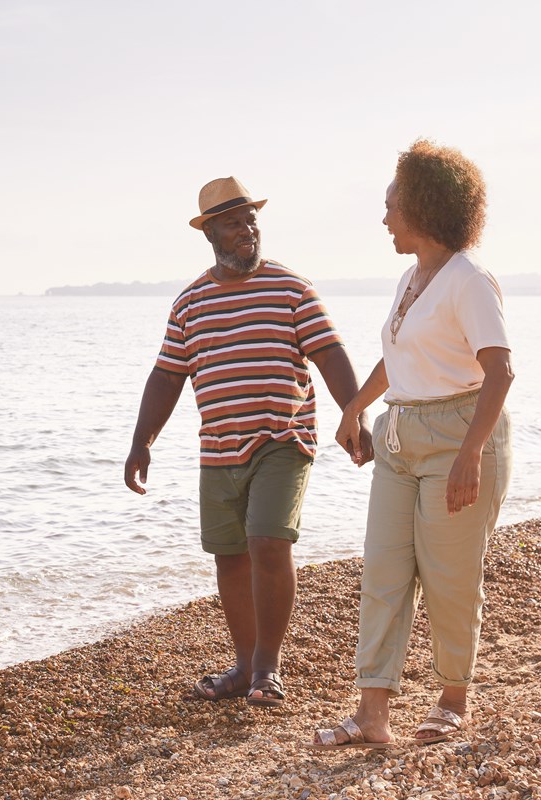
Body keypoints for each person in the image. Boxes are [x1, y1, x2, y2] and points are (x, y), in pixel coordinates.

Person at [124, 176, 370, 707]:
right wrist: (142, 442)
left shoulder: (291, 288)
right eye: (234, 222)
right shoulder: (190, 303)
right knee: (230, 556)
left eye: (251, 219)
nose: (248, 229)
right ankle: (242, 664)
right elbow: (167, 376)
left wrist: (355, 415)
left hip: (282, 437)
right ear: (210, 231)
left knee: (267, 541)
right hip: (218, 446)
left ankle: (266, 669)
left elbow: (329, 354)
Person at [311, 140, 513, 749]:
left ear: (423, 206)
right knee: (385, 572)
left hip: (460, 435)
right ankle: (372, 713)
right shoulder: (411, 277)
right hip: (399, 438)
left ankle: (454, 699)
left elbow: (499, 370)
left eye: (392, 204)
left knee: (451, 577)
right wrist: (355, 405)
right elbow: (399, 353)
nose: (384, 216)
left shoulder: (469, 280)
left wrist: (471, 453)